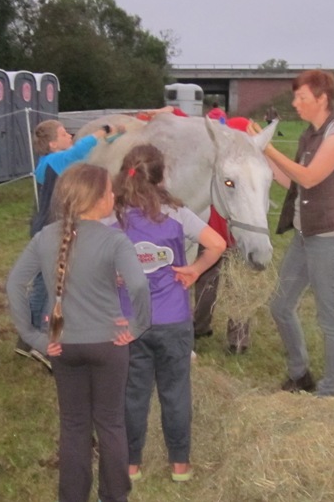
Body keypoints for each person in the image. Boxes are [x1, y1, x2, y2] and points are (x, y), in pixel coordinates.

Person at [6, 163, 151, 502]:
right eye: (110, 191)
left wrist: (33, 336)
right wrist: (137, 326)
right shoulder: (115, 240)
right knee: (111, 423)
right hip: (109, 344)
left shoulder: (45, 237)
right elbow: (139, 286)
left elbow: (14, 284)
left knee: (73, 425)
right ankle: (114, 496)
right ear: (98, 199)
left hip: (62, 345)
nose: (114, 196)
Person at [108, 144, 226, 483]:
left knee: (132, 394)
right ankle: (180, 465)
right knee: (175, 392)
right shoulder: (177, 213)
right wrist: (195, 270)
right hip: (173, 320)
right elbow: (217, 243)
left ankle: (131, 465)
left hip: (130, 322)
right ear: (162, 178)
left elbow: (89, 257)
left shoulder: (112, 216)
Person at [249, 69, 334, 397]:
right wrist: (257, 156)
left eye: (301, 97)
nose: (295, 103)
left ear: (322, 99)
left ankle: (330, 390)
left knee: (329, 319)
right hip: (304, 234)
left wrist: (269, 149)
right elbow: (295, 183)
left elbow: (309, 177)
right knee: (280, 306)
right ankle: (300, 374)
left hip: (331, 238)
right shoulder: (309, 135)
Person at [15, 119, 123, 366]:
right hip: (54, 230)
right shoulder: (56, 160)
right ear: (53, 144)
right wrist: (105, 131)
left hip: (43, 229)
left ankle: (26, 338)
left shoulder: (46, 163)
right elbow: (79, 151)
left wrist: (113, 139)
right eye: (64, 133)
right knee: (56, 288)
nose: (69, 136)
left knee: (42, 286)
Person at [193, 116, 252, 353]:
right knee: (238, 287)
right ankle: (238, 339)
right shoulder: (248, 167)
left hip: (212, 234)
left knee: (207, 282)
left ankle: (200, 326)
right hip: (235, 235)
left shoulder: (217, 163)